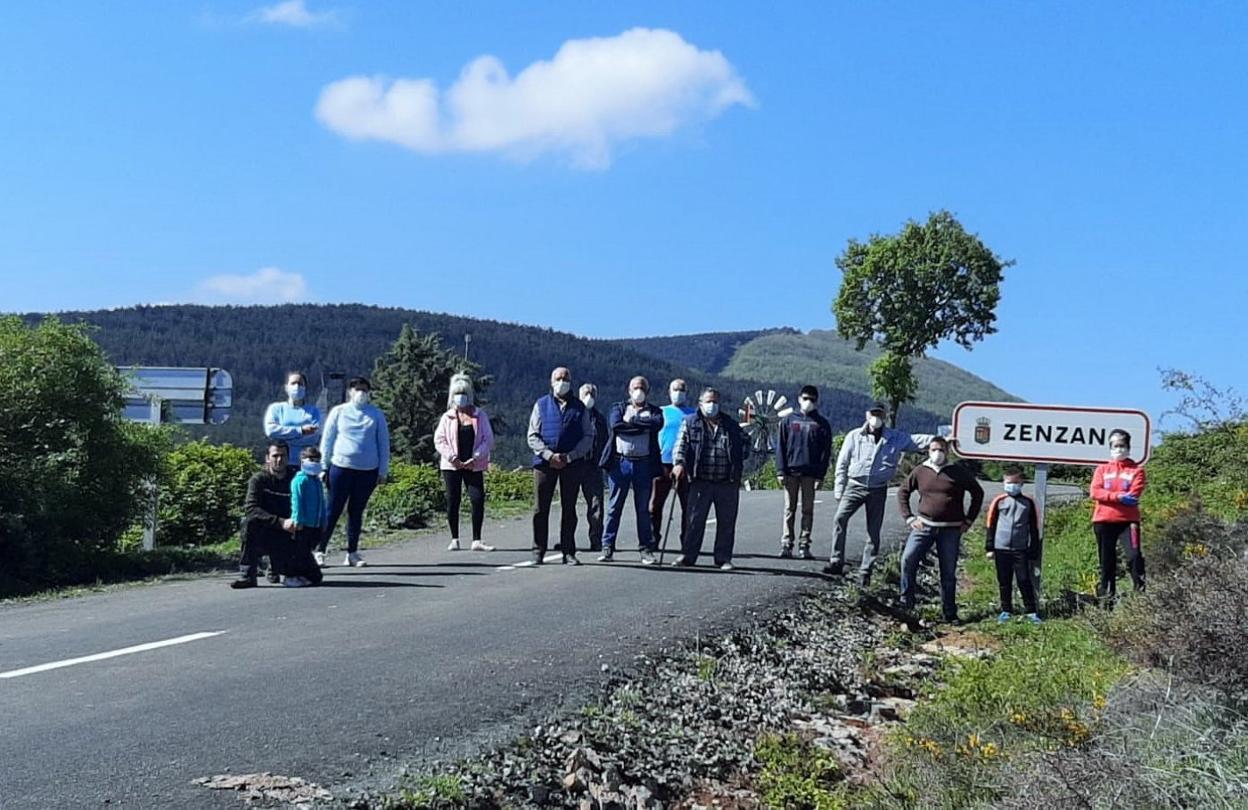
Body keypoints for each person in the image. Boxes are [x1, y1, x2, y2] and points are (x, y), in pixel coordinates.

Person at [828, 403, 935, 584]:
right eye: (873, 414)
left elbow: (916, 440)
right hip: (855, 485)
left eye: (879, 414)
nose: (876, 418)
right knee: (840, 518)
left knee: (873, 530)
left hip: (878, 488)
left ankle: (865, 570)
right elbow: (842, 462)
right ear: (867, 414)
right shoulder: (854, 436)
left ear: (884, 416)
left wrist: (940, 439)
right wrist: (839, 488)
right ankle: (836, 560)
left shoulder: (894, 437)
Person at [897, 437, 984, 622]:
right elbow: (903, 491)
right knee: (908, 559)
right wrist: (909, 517)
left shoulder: (958, 472)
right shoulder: (920, 471)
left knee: (948, 571)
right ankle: (906, 603)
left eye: (942, 449)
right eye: (934, 449)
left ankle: (949, 613)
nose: (938, 453)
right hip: (924, 526)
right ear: (929, 451)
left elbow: (978, 493)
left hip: (950, 530)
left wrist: (969, 520)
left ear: (947, 451)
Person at [671, 387, 749, 571]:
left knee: (726, 523)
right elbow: (680, 445)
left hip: (726, 481)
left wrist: (739, 457)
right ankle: (688, 556)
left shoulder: (729, 424)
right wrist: (679, 463)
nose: (711, 405)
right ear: (700, 403)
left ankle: (723, 558)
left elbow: (745, 442)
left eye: (715, 401)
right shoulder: (690, 423)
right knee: (694, 521)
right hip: (700, 481)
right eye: (708, 401)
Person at [319, 376, 390, 568]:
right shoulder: (339, 412)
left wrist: (383, 471)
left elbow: (383, 443)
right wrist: (323, 466)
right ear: (350, 391)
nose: (361, 393)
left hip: (367, 471)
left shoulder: (376, 414)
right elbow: (327, 440)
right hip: (340, 468)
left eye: (365, 390)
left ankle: (352, 552)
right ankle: (320, 550)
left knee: (356, 512)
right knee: (332, 511)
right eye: (357, 389)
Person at [527, 367, 594, 565]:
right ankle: (538, 550)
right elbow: (532, 435)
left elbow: (587, 436)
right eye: (558, 378)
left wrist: (570, 456)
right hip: (544, 464)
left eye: (565, 378)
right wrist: (549, 455)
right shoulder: (541, 404)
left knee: (569, 509)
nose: (562, 381)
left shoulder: (580, 407)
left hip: (572, 464)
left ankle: (568, 551)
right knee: (540, 509)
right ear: (551, 381)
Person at [598, 376, 664, 564]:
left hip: (644, 464)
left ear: (648, 391)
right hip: (620, 464)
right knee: (613, 508)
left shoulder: (655, 411)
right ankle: (607, 547)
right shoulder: (618, 408)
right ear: (629, 390)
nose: (639, 390)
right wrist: (640, 425)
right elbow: (616, 425)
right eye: (635, 387)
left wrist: (632, 422)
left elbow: (656, 424)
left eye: (642, 387)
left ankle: (645, 549)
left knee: (643, 510)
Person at [434, 373, 496, 552]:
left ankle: (477, 539)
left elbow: (488, 440)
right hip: (452, 466)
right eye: (457, 394)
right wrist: (452, 457)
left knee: (477, 499)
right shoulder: (447, 417)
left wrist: (475, 457)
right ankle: (455, 538)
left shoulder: (479, 416)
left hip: (474, 465)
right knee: (453, 500)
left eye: (463, 393)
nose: (460, 397)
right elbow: (439, 440)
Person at [775, 385, 833, 559]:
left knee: (808, 509)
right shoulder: (788, 421)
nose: (809, 402)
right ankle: (786, 544)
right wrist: (780, 470)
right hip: (791, 472)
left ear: (817, 401)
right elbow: (781, 447)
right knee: (789, 509)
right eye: (806, 398)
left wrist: (820, 475)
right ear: (799, 398)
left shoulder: (822, 424)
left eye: (812, 399)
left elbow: (825, 452)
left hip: (810, 474)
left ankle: (804, 544)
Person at [1090, 429, 1147, 602]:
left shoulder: (1137, 471)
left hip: (1128, 522)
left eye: (1122, 445)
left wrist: (1110, 496)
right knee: (1107, 563)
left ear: (1128, 446)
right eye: (1115, 445)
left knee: (1135, 558)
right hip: (1103, 521)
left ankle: (1140, 597)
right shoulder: (1102, 469)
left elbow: (1133, 495)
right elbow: (1094, 492)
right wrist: (1118, 496)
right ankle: (1107, 600)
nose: (1118, 449)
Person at [230, 441, 296, 589]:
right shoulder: (258, 479)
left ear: (288, 458)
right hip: (266, 530)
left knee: (307, 576)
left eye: (283, 456)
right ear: (267, 458)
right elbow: (251, 508)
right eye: (275, 456)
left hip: (290, 533)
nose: (279, 460)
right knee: (248, 523)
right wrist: (280, 522)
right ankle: (248, 575)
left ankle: (277, 566)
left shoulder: (296, 479)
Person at [984, 465, 1041, 623]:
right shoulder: (999, 501)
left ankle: (1031, 611)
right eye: (1007, 482)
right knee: (1004, 581)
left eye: (1014, 483)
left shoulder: (1028, 502)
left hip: (1020, 549)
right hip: (1000, 548)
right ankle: (1006, 610)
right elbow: (991, 524)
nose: (1011, 486)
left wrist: (1033, 549)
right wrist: (989, 547)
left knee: (1024, 580)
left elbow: (1034, 527)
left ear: (1021, 483)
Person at [649, 378, 695, 553]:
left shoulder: (693, 414)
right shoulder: (661, 412)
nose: (678, 392)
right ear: (669, 392)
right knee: (655, 505)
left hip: (685, 466)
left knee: (688, 506)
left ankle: (687, 541)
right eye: (675, 389)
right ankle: (653, 538)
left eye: (681, 389)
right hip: (662, 463)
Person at [284, 447, 327, 587]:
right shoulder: (299, 480)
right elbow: (297, 501)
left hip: (315, 525)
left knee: (307, 553)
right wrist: (298, 520)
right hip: (303, 525)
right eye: (311, 460)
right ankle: (292, 575)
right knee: (299, 552)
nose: (315, 463)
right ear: (302, 461)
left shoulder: (316, 481)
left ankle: (305, 574)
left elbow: (322, 502)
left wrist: (323, 520)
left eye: (317, 460)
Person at [263, 371, 322, 470]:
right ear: (286, 387)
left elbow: (314, 437)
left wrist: (285, 438)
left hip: (304, 465)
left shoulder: (314, 411)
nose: (297, 386)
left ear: (305, 388)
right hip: (281, 465)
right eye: (293, 383)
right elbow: (271, 431)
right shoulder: (276, 408)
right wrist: (301, 431)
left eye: (300, 384)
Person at [574, 383, 608, 553]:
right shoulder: (573, 415)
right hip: (574, 465)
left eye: (592, 394)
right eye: (586, 393)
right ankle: (568, 540)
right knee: (569, 505)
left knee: (596, 505)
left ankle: (596, 540)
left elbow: (605, 442)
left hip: (593, 467)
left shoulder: (599, 419)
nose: (589, 397)